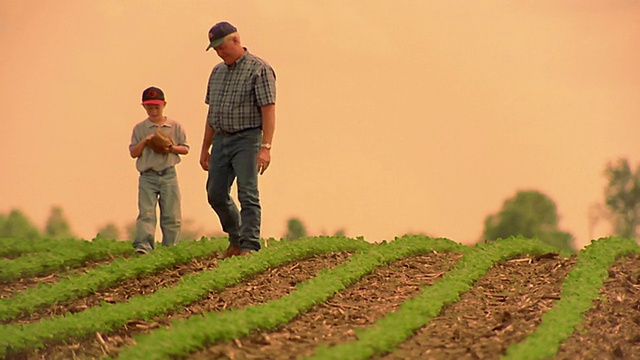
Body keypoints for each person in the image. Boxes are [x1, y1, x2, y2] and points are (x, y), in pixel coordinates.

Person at [199, 21, 276, 258]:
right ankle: (236, 238)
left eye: (222, 47)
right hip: (222, 138)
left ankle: (249, 246)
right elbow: (212, 114)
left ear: (235, 40)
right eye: (216, 50)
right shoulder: (217, 72)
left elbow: (269, 111)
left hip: (247, 138)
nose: (220, 53)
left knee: (247, 192)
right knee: (215, 193)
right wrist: (205, 148)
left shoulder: (259, 69)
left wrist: (266, 147)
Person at [129, 86, 189, 254]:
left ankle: (170, 248)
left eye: (156, 106)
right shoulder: (140, 128)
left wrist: (170, 147)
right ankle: (143, 247)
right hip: (148, 175)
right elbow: (133, 152)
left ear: (164, 105)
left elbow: (185, 149)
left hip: (168, 174)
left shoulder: (174, 126)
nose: (153, 110)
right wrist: (146, 141)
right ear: (144, 107)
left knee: (172, 214)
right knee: (146, 213)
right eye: (149, 107)